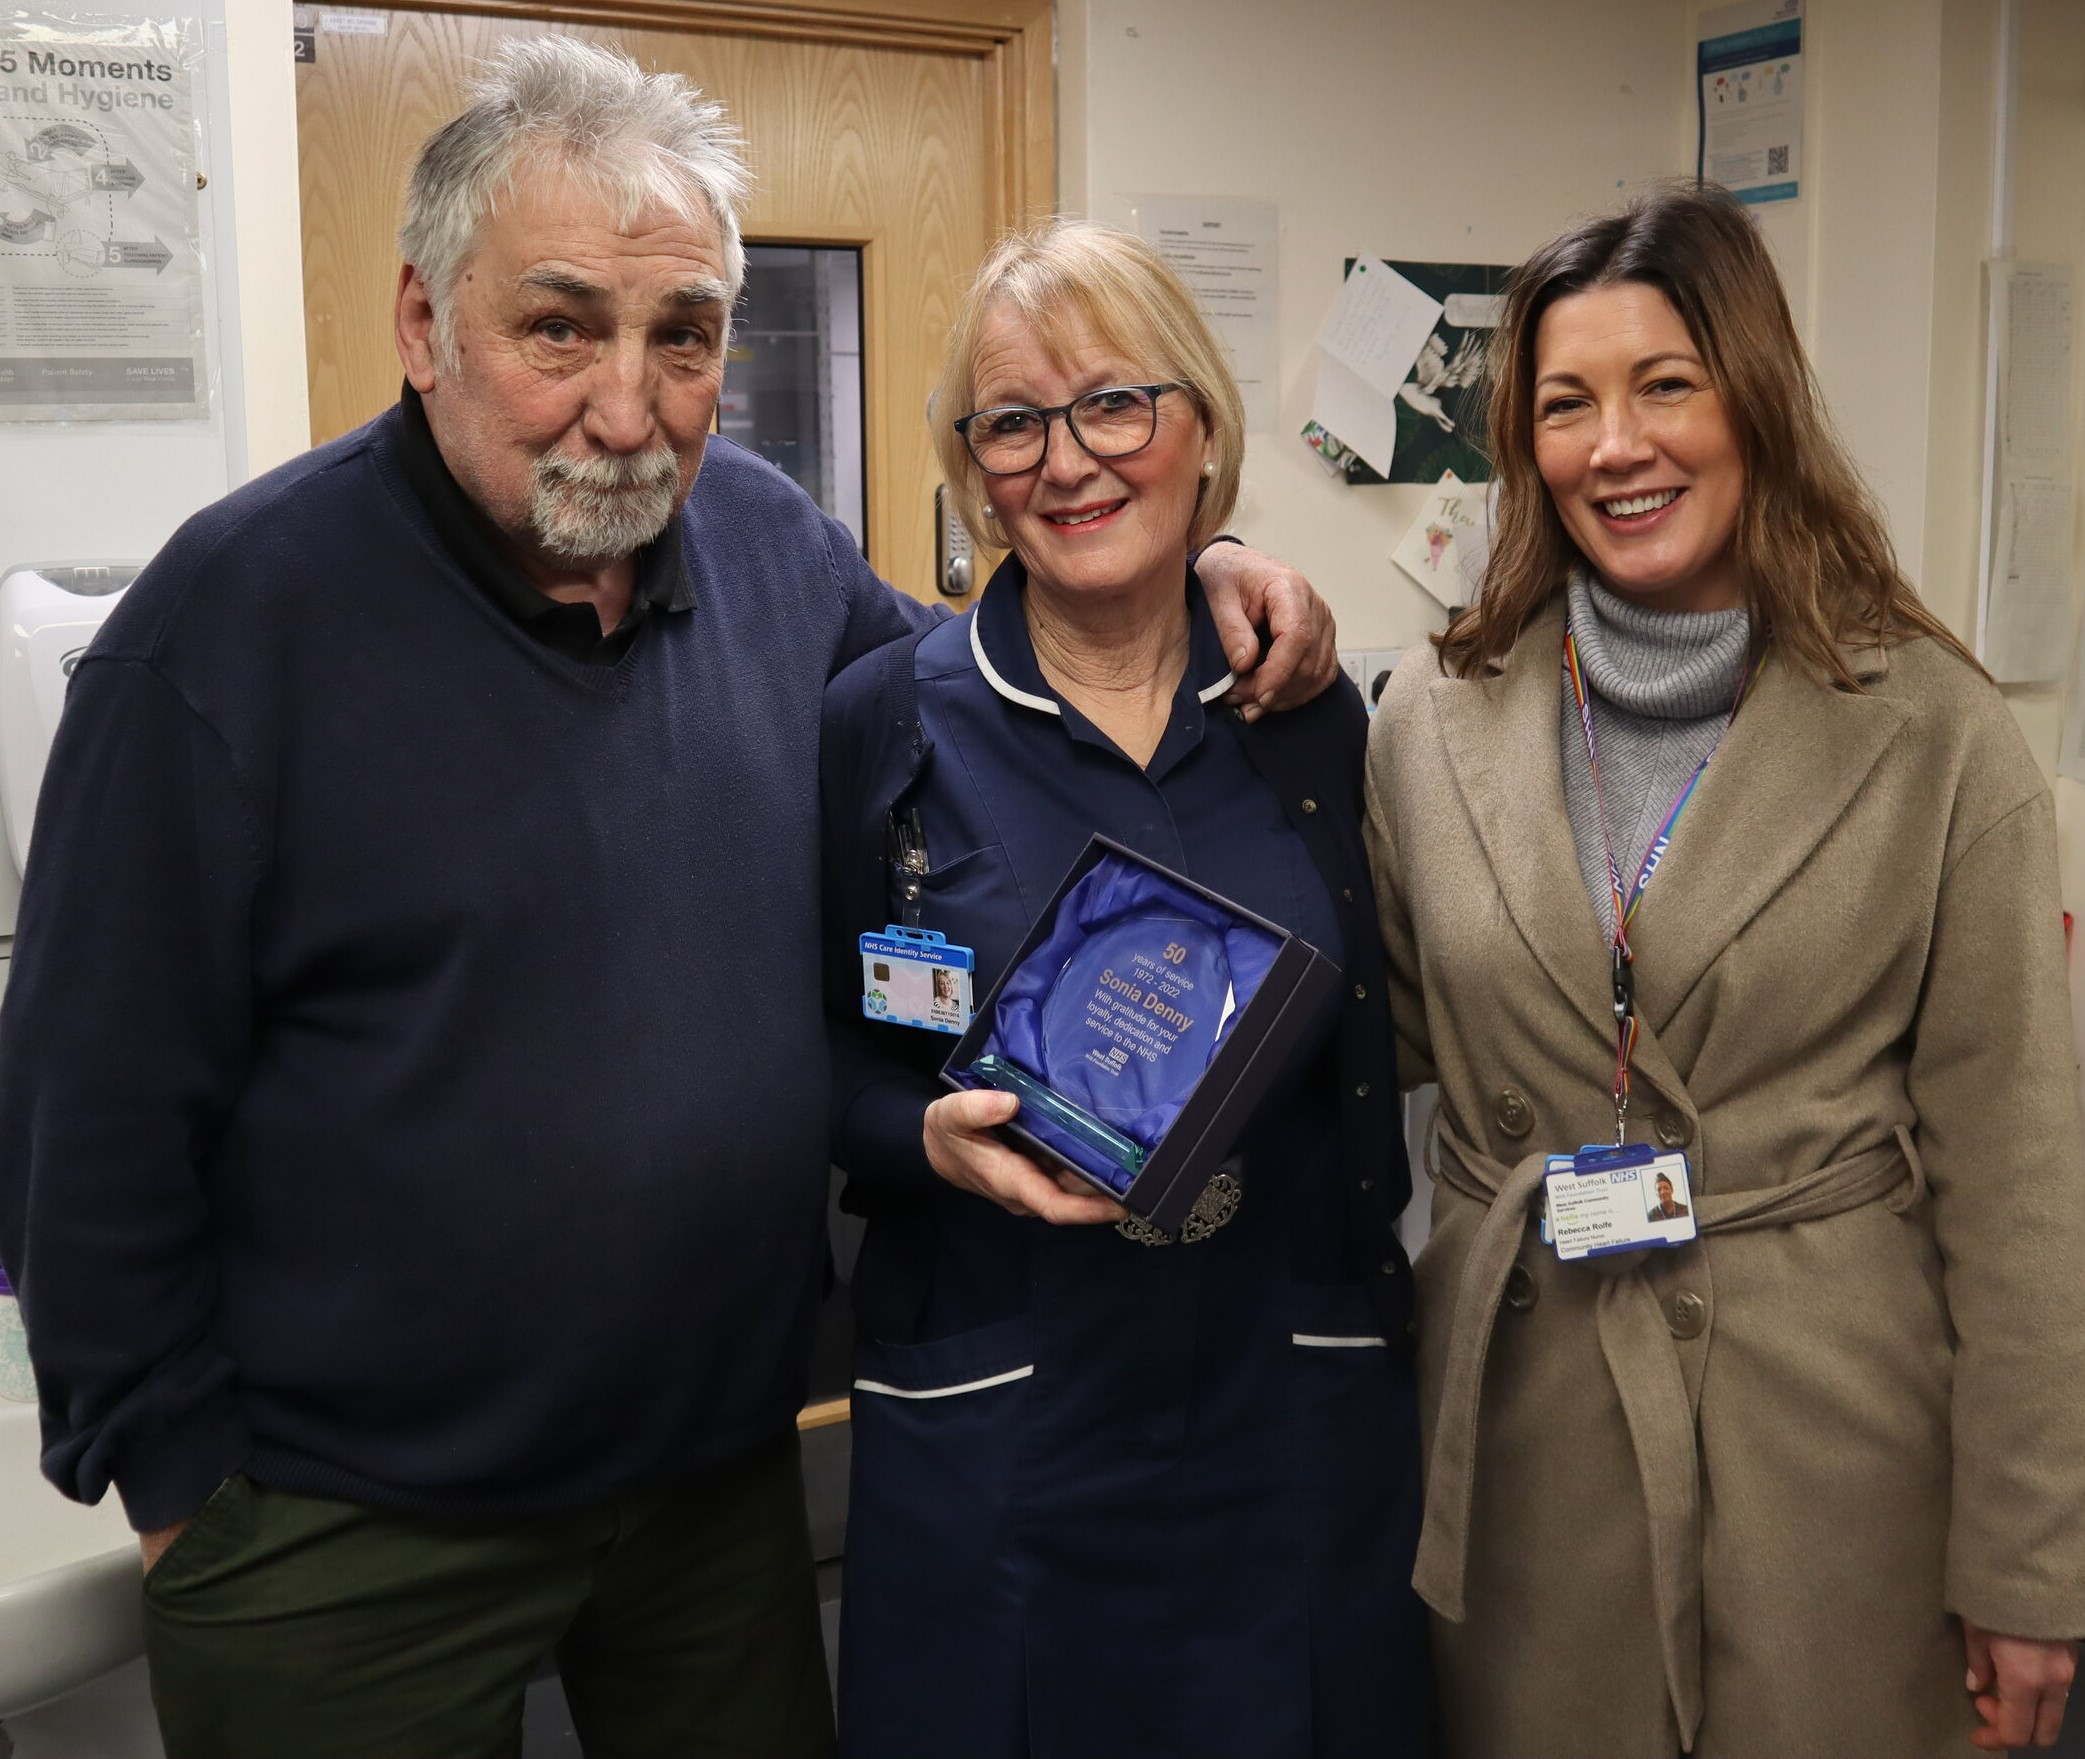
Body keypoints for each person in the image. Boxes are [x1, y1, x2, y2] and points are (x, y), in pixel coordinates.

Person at [0, 39, 1334, 1759]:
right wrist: (182, 1485)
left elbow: (999, 696)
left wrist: (1188, 555)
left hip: (713, 1493)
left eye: (683, 335)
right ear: (423, 327)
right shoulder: (231, 626)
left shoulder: (772, 548)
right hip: (344, 1530)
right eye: (559, 327)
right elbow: (81, 1115)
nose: (629, 406)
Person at [1364, 179, 2085, 1757]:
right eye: (1564, 404)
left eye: (1662, 386)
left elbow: (2022, 1182)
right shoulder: (1428, 717)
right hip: (1527, 1439)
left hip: (1831, 1456)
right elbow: (1379, 1055)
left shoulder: (1939, 738)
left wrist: (2029, 1564)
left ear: (1751, 397)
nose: (1614, 445)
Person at [821, 220, 1431, 1759]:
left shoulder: (1311, 714)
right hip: (1008, 1414)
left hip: (1288, 1403)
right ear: (971, 467)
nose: (1066, 459)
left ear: (1201, 431)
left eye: (1114, 403)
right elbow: (810, 1058)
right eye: (1011, 420)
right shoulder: (886, 720)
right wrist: (916, 1142)